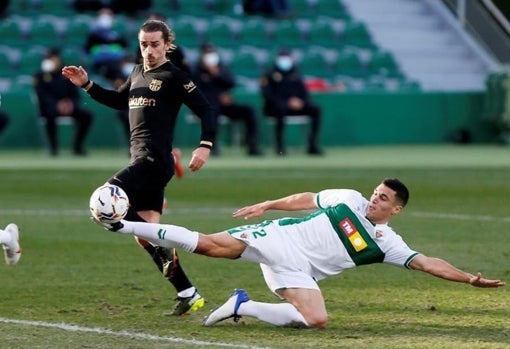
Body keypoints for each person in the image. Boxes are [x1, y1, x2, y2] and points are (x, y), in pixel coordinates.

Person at [93, 178, 505, 328]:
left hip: (298, 270)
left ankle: (243, 306)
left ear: (395, 210)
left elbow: (427, 262)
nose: (373, 200)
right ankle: (122, 223)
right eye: (375, 193)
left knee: (318, 321)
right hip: (276, 239)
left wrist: (468, 277)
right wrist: (268, 204)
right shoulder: (347, 199)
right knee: (207, 244)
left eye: (382, 199)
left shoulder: (388, 245)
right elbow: (308, 197)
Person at [62, 19, 217, 315]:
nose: (149, 50)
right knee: (146, 235)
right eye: (144, 44)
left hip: (154, 162)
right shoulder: (137, 72)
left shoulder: (174, 76)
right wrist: (87, 85)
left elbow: (206, 109)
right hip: (141, 160)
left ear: (167, 45)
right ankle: (188, 292)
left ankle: (173, 243)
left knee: (104, 200)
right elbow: (120, 101)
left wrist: (205, 145)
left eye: (155, 44)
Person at [192, 43, 262, 156]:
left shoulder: (221, 68)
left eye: (212, 53)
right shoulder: (196, 71)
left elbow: (231, 83)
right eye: (207, 53)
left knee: (249, 111)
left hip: (225, 105)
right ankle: (211, 147)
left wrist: (217, 75)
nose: (210, 56)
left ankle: (252, 146)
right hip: (207, 106)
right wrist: (217, 98)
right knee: (212, 112)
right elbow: (196, 93)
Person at [261, 48, 323, 156]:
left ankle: (312, 145)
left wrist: (301, 102)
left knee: (316, 109)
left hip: (296, 107)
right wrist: (287, 102)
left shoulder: (295, 73)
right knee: (280, 109)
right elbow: (267, 95)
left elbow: (304, 92)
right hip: (277, 108)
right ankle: (280, 147)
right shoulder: (269, 74)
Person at [33, 48, 93, 156]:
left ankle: (77, 146)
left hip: (68, 106)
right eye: (48, 58)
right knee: (49, 115)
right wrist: (56, 105)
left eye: (52, 58)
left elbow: (75, 93)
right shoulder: (40, 75)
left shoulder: (67, 73)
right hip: (49, 108)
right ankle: (54, 148)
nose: (50, 61)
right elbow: (41, 95)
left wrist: (70, 103)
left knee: (87, 116)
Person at [85, 8, 129, 81]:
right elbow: (89, 49)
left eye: (108, 15)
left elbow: (124, 48)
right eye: (103, 15)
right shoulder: (93, 34)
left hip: (115, 64)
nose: (105, 17)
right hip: (97, 64)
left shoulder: (119, 34)